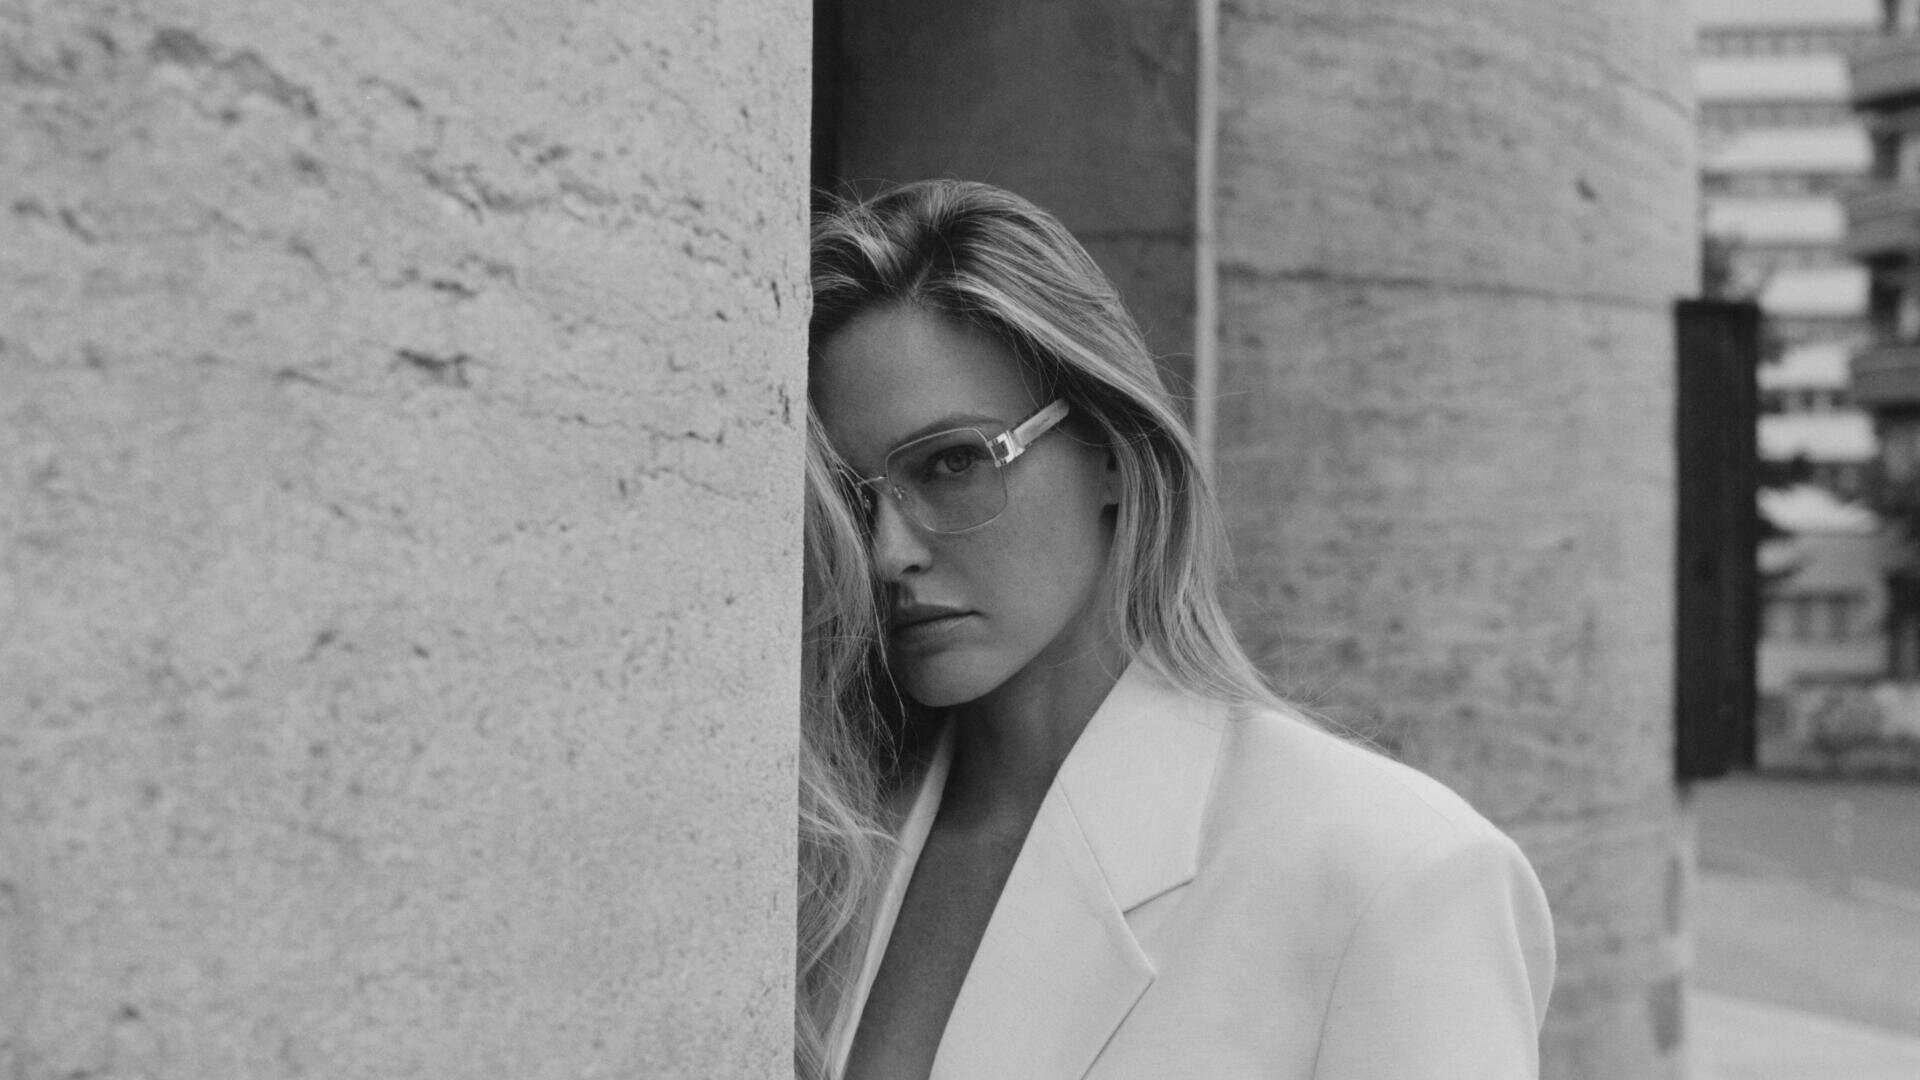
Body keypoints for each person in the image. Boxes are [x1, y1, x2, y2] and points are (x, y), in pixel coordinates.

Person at [796, 179, 1555, 1080]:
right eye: (850, 496)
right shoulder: (816, 844)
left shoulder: (1395, 873)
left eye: (955, 461)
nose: (887, 552)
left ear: (1112, 455)